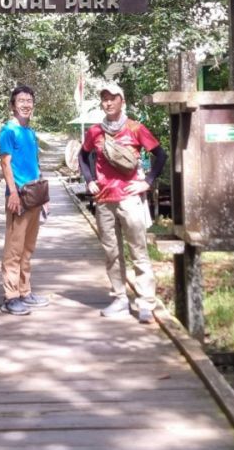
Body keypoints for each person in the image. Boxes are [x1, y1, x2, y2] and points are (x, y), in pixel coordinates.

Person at [79, 82, 167, 324]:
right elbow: (82, 155)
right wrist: (89, 181)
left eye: (113, 98)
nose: (108, 102)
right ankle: (119, 297)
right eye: (104, 99)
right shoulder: (95, 132)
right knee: (112, 252)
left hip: (129, 198)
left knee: (138, 250)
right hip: (104, 200)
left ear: (122, 101)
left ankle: (145, 301)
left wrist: (147, 182)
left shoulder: (135, 128)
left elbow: (160, 155)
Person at [0, 85, 50, 316]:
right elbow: (5, 163)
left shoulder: (30, 132)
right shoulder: (8, 130)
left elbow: (35, 165)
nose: (26, 104)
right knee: (14, 249)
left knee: (28, 248)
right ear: (13, 105)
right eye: (21, 100)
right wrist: (12, 193)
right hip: (18, 197)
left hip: (34, 197)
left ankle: (25, 291)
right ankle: (10, 297)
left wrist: (44, 196)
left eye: (29, 100)